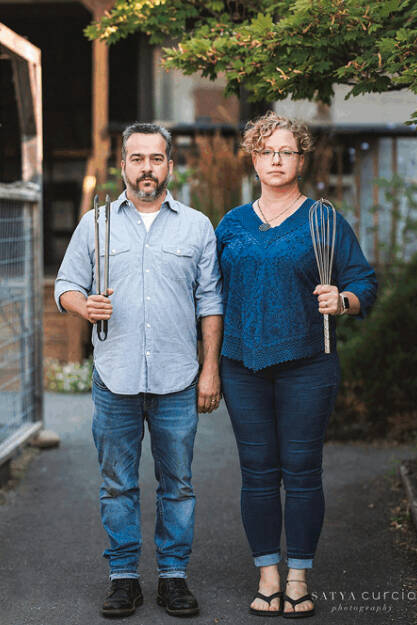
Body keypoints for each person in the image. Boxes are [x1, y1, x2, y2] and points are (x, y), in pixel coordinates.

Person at [54, 122, 223, 618]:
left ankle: (173, 577)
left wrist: (210, 369)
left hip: (177, 377)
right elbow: (65, 285)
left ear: (170, 164)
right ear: (122, 164)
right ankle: (124, 577)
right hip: (115, 376)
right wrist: (83, 305)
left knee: (178, 485)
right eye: (137, 158)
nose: (146, 168)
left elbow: (211, 302)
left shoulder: (197, 226)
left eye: (156, 158)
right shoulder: (96, 223)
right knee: (117, 485)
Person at [215, 111, 377, 619]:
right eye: (266, 151)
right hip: (241, 364)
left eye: (287, 151)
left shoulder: (324, 221)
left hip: (309, 362)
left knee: (303, 473)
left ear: (301, 159)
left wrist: (343, 300)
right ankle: (268, 577)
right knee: (258, 474)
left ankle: (298, 578)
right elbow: (210, 295)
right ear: (253, 159)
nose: (276, 160)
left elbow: (364, 282)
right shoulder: (231, 224)